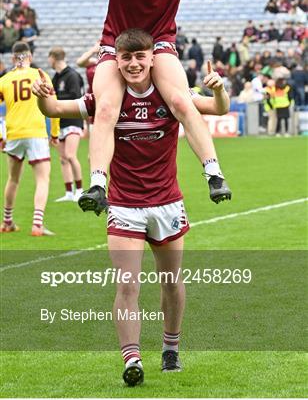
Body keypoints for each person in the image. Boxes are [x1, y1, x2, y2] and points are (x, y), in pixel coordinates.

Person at [33, 28, 230, 385]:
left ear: (153, 58)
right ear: (117, 61)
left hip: (167, 202)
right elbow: (56, 108)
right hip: (124, 206)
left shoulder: (172, 94)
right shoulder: (106, 99)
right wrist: (42, 97)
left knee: (170, 282)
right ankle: (132, 360)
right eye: (127, 58)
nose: (135, 64)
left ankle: (171, 347)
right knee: (127, 286)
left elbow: (217, 108)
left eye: (141, 56)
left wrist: (217, 87)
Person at [62, 0, 241, 214]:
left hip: (159, 43)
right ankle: (98, 183)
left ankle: (213, 174)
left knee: (181, 100)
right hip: (117, 45)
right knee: (105, 108)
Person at [0, 41, 58, 236]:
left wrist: (1, 135)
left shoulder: (4, 80)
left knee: (13, 179)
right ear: (30, 57)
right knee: (42, 179)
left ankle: (7, 222)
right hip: (36, 132)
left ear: (13, 58)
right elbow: (54, 105)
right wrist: (55, 133)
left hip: (14, 133)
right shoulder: (39, 75)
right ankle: (37, 224)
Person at [48, 47, 84, 202]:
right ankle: (69, 192)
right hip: (60, 121)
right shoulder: (55, 77)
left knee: (70, 155)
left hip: (73, 120)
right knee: (63, 158)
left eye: (49, 58)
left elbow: (76, 96)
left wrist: (56, 101)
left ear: (53, 58)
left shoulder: (72, 75)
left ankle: (80, 190)